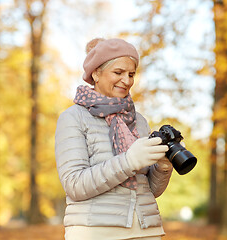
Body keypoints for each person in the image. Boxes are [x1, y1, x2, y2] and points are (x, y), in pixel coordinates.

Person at [55, 38, 173, 240]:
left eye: (131, 74)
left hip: (147, 231)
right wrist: (129, 161)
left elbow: (149, 190)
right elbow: (74, 185)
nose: (126, 81)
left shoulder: (139, 121)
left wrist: (163, 166)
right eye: (118, 73)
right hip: (96, 232)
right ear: (96, 73)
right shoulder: (74, 117)